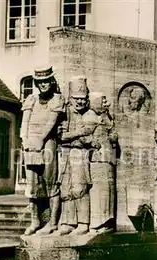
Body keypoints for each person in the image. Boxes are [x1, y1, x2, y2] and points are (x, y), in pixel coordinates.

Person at [20, 65, 65, 236]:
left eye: (46, 81)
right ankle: (34, 221)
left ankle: (53, 223)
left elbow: (51, 122)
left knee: (51, 181)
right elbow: (25, 122)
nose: (43, 84)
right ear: (36, 83)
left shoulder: (57, 100)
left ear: (51, 81)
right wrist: (25, 139)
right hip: (31, 143)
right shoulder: (31, 99)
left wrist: (40, 140)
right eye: (40, 82)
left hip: (47, 143)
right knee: (31, 185)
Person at [53, 76, 101, 236]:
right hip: (65, 153)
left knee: (80, 188)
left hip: (80, 153)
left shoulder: (90, 114)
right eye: (76, 99)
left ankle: (83, 223)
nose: (80, 102)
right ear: (70, 98)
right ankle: (67, 222)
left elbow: (88, 137)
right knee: (65, 189)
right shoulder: (64, 113)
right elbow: (61, 136)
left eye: (83, 99)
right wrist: (78, 133)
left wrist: (73, 135)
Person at [88, 92, 118, 234]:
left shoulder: (106, 117)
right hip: (96, 159)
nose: (107, 104)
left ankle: (106, 221)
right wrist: (92, 142)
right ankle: (96, 223)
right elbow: (84, 135)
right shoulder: (89, 116)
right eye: (103, 101)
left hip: (108, 159)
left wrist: (112, 135)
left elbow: (113, 135)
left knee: (108, 190)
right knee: (98, 191)